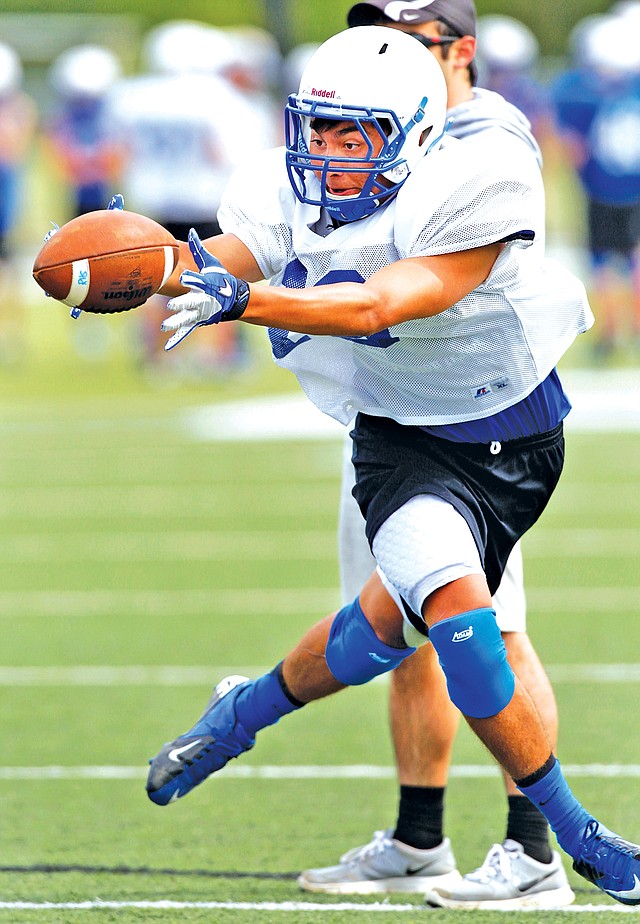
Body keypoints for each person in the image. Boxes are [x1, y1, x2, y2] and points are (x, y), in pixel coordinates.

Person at [136, 24, 640, 909]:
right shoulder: (283, 184)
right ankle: (574, 835)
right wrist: (148, 267)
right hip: (403, 443)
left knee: (376, 636)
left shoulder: (475, 177)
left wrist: (242, 301)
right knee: (462, 626)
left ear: (412, 132)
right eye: (314, 130)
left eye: (352, 134)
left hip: (521, 442)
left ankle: (239, 714)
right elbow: (222, 258)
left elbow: (378, 304)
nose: (325, 154)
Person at [300, 0, 567, 908]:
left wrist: (240, 301)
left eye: (410, 45)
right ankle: (420, 840)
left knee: (488, 626)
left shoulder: (484, 142)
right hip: (389, 420)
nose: (383, 64)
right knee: (410, 637)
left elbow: (394, 292)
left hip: (469, 427)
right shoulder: (362, 134)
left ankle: (535, 851)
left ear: (460, 54)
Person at [550, 11, 640, 362]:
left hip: (601, 189)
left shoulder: (578, 92)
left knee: (603, 262)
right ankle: (632, 329)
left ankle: (610, 333)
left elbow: (573, 148)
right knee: (633, 257)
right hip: (634, 189)